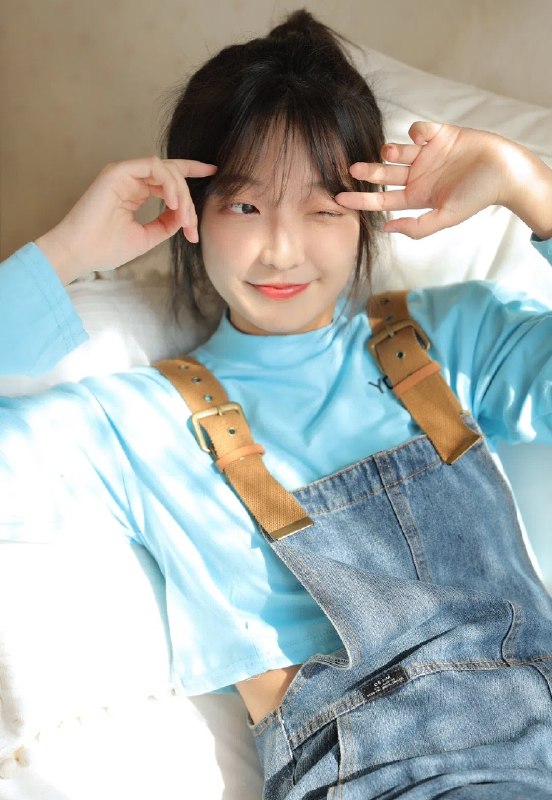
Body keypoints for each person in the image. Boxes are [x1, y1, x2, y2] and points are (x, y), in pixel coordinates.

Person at [2, 9, 552, 799]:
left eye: (323, 209)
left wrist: (533, 189)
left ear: (366, 211)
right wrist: (66, 253)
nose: (283, 250)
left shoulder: (449, 341)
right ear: (192, 210)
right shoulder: (143, 425)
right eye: (247, 207)